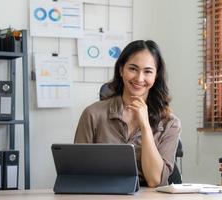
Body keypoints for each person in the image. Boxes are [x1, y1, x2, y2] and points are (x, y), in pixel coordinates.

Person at [74, 40, 181, 187]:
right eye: (133, 69)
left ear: (156, 76)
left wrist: (145, 126)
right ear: (121, 69)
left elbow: (155, 180)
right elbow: (77, 171)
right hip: (101, 193)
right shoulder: (93, 114)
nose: (139, 78)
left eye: (148, 71)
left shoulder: (170, 123)